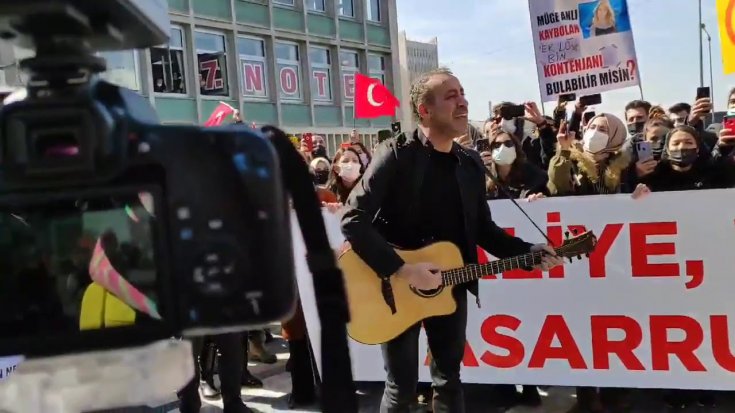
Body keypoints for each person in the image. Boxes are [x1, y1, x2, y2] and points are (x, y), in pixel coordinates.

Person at [340, 67, 563, 413]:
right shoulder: (395, 154)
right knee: (401, 389)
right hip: (393, 287)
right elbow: (353, 220)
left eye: (462, 94)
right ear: (425, 111)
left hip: (451, 287)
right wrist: (402, 270)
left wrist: (530, 251)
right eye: (451, 96)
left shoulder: (470, 163)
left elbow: (484, 231)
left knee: (449, 380)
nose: (463, 103)